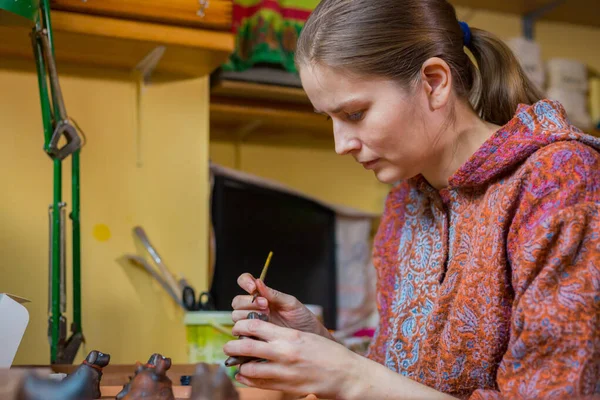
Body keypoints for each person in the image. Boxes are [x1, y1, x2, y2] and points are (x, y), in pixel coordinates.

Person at [223, 0, 600, 399]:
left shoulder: (559, 179)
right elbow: (401, 386)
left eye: (354, 113)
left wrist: (351, 376)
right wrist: (321, 348)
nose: (340, 144)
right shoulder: (405, 203)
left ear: (434, 82)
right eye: (328, 119)